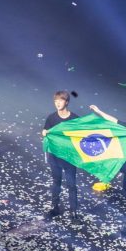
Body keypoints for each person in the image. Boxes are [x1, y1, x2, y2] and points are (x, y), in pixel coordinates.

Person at [42, 91, 80, 222]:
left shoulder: (74, 118)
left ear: (67, 102)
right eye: (55, 101)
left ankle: (73, 211)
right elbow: (45, 130)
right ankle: (55, 207)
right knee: (56, 182)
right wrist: (44, 132)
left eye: (60, 100)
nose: (57, 103)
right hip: (54, 156)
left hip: (69, 158)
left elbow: (81, 133)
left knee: (71, 185)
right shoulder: (51, 118)